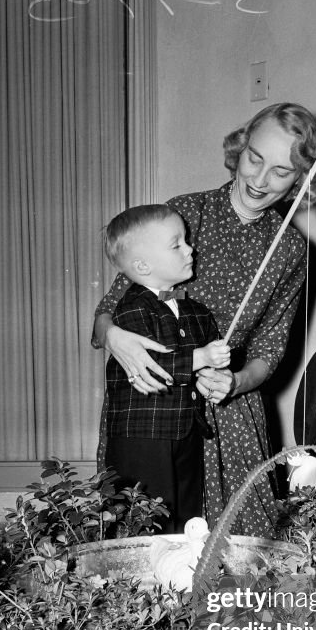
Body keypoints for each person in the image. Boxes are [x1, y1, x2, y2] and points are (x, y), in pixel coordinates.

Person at [93, 102, 316, 535]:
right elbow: (109, 309)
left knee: (240, 550)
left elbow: (268, 350)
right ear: (239, 149)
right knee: (147, 542)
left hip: (230, 410)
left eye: (281, 172)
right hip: (157, 404)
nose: (260, 180)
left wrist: (236, 381)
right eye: (254, 158)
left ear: (303, 178)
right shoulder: (185, 212)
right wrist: (114, 338)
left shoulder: (290, 252)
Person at [103, 204, 231, 532]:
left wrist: (211, 374)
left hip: (185, 430)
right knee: (143, 517)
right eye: (177, 245)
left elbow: (207, 361)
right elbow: (155, 364)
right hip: (141, 437)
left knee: (186, 513)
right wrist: (201, 358)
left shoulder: (197, 311)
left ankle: (182, 573)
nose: (191, 249)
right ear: (142, 265)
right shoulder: (131, 309)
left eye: (186, 240)